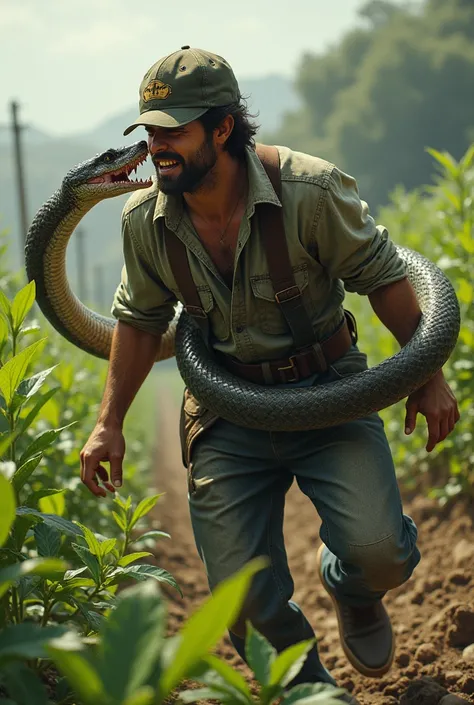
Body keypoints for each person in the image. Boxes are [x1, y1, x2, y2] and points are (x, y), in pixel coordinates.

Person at [80, 46, 459, 702]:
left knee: (382, 552)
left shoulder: (309, 190)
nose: (157, 146)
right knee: (241, 596)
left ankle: (353, 584)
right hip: (228, 410)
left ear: (222, 128)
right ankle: (311, 689)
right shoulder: (145, 222)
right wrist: (108, 422)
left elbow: (384, 277)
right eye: (150, 131)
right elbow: (140, 323)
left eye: (174, 130)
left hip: (328, 391)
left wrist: (426, 368)